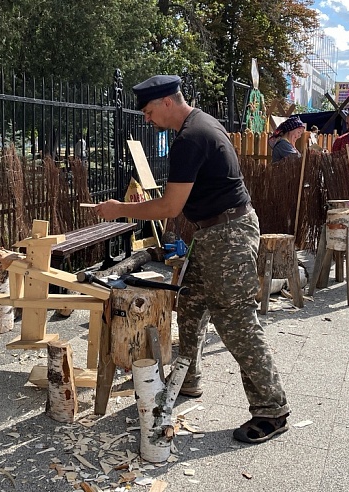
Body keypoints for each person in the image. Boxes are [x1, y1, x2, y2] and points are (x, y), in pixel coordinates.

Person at [94, 75, 290, 444]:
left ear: (167, 102)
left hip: (227, 235)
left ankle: (272, 409)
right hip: (215, 231)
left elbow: (170, 207)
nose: (148, 119)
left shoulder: (190, 137)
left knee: (236, 324)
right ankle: (189, 378)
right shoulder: (202, 122)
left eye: (149, 111)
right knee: (192, 305)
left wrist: (120, 209)